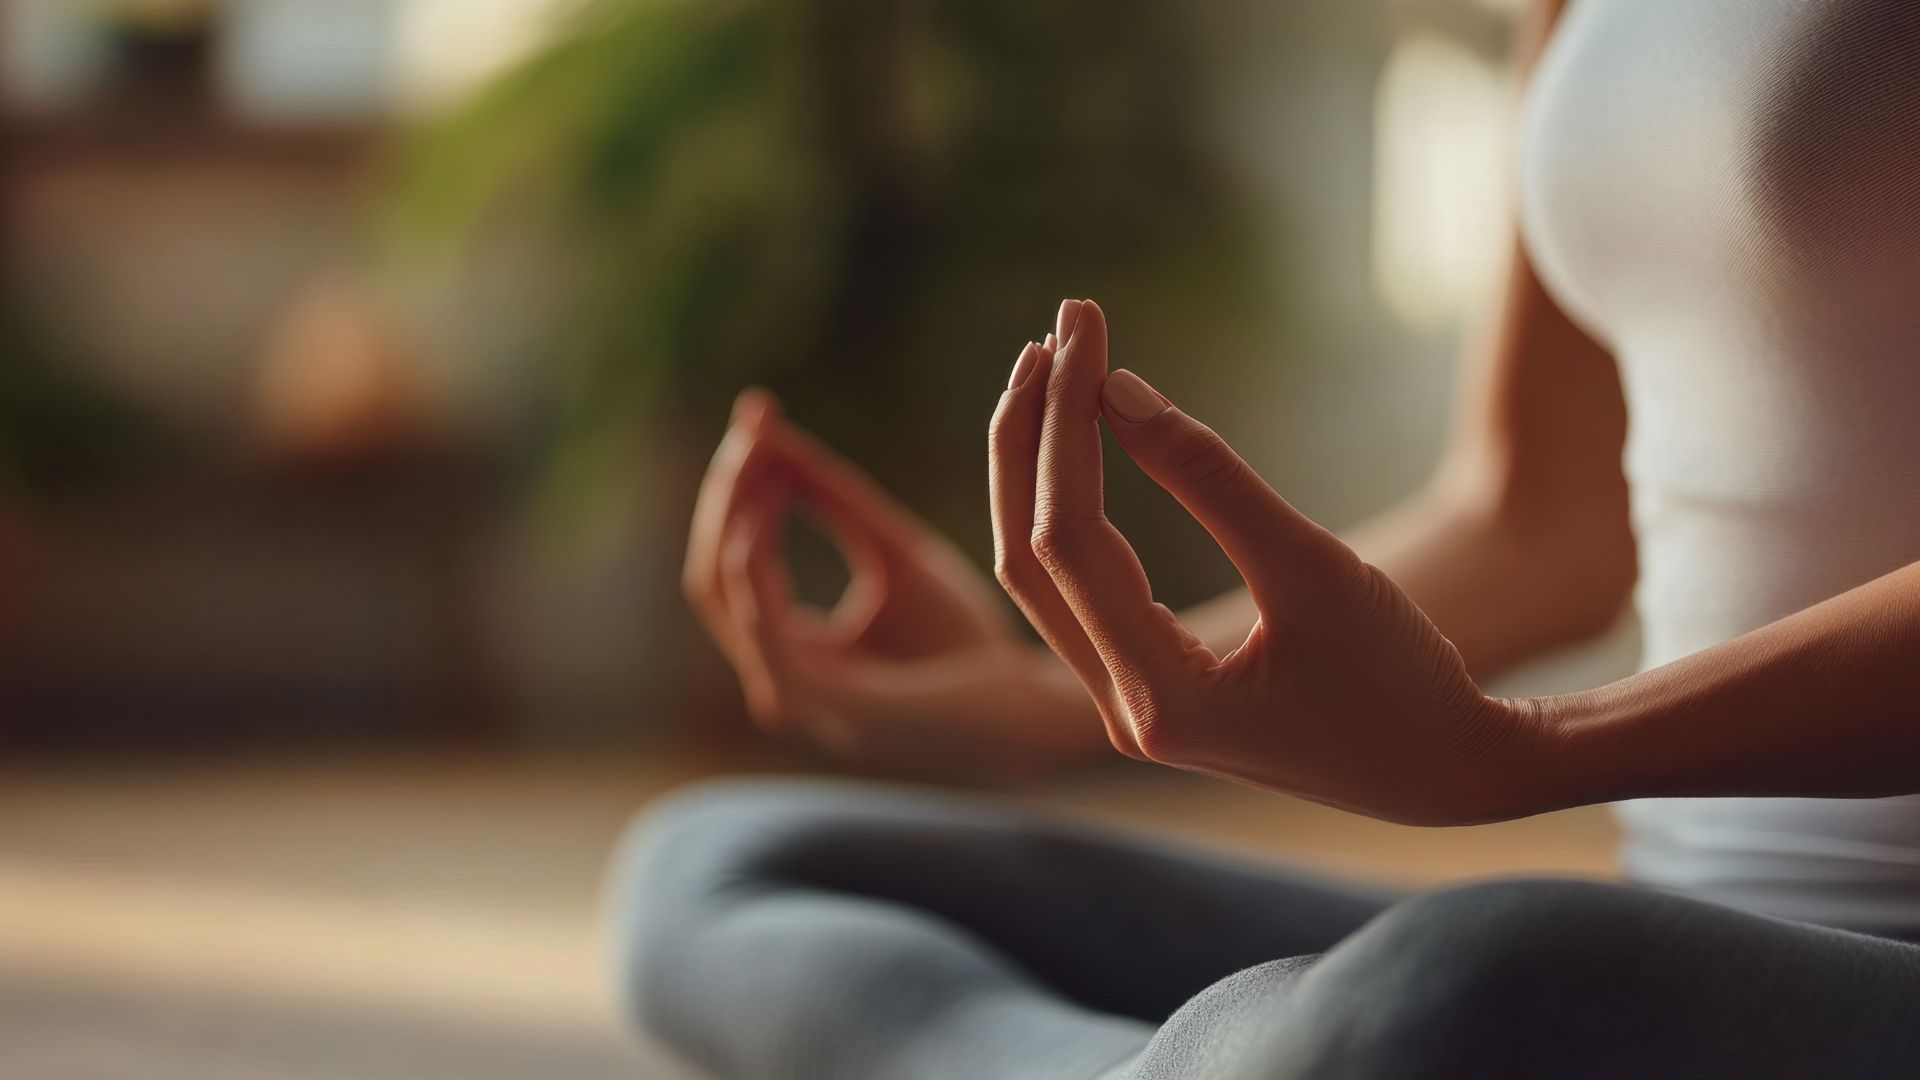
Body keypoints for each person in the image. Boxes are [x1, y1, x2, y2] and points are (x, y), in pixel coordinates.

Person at [610, 1, 1920, 1076]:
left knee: (1480, 982)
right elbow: (1535, 521)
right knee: (722, 864)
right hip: (1685, 921)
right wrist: (1058, 689)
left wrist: (1518, 755)